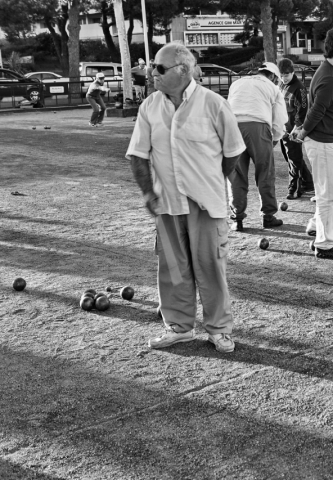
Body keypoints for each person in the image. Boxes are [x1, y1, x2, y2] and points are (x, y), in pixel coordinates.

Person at [125, 41, 245, 353]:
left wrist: (208, 180)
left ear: (182, 71)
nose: (152, 72)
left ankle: (218, 329)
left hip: (206, 205)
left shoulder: (213, 104)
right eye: (153, 66)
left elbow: (233, 154)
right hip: (166, 204)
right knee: (172, 270)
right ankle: (178, 328)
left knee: (210, 269)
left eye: (159, 68)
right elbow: (138, 155)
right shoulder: (149, 106)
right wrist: (148, 194)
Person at [290, 27, 333, 260]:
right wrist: (303, 131)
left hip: (331, 142)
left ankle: (317, 225)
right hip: (323, 143)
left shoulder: (332, 71)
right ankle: (324, 245)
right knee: (327, 194)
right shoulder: (328, 75)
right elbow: (316, 110)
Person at [226, 62, 287, 230]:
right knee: (265, 172)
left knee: (236, 174)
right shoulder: (273, 88)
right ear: (274, 76)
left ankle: (237, 219)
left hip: (233, 127)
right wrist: (274, 138)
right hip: (258, 127)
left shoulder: (237, 83)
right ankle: (268, 216)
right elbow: (280, 119)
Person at [277, 58, 314, 200]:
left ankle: (294, 189)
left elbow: (303, 110)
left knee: (294, 158)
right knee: (290, 157)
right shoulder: (281, 84)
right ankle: (308, 182)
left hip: (293, 130)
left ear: (293, 72)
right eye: (281, 75)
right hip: (283, 128)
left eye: (286, 75)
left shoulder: (299, 88)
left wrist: (296, 129)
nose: (283, 78)